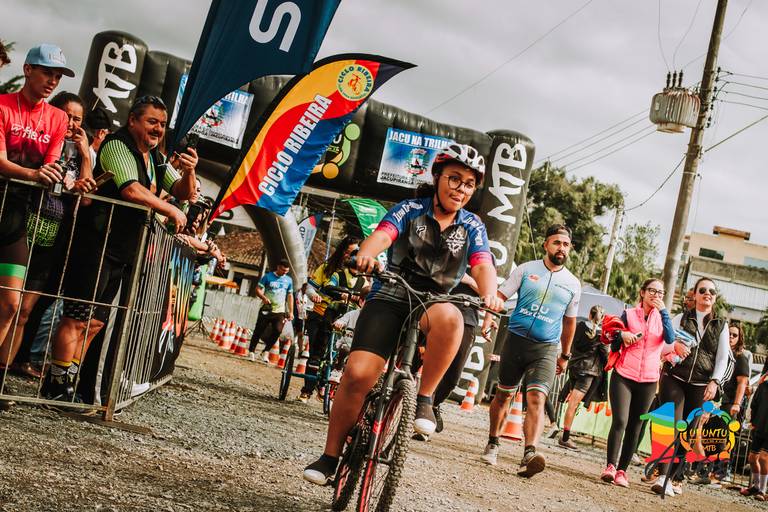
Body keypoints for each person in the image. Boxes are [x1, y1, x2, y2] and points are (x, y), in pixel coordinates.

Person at [303, 143, 502, 485]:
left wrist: (490, 294)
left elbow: (483, 264)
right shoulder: (410, 209)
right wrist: (366, 255)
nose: (461, 189)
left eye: (469, 184)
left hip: (435, 301)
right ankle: (330, 457)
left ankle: (424, 398)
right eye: (454, 179)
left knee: (452, 317)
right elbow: (382, 236)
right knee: (358, 375)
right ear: (437, 177)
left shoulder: (473, 226)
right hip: (392, 294)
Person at [42, 95, 197, 400]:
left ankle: (68, 381)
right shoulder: (117, 145)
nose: (158, 129)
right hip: (96, 243)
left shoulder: (155, 157)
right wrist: (169, 210)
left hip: (123, 250)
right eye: (152, 121)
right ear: (133, 120)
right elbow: (131, 189)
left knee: (96, 322)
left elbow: (183, 192)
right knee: (77, 317)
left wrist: (190, 171)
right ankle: (55, 383)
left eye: (162, 124)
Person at [1, 91, 95, 377]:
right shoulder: (42, 138)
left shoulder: (80, 152)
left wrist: (85, 151)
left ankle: (4, 371)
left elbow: (87, 197)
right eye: (67, 116)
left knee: (23, 311)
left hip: (51, 236)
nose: (72, 124)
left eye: (78, 119)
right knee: (8, 303)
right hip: (22, 222)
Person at [480, 224, 581, 478]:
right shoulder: (526, 270)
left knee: (537, 397)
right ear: (546, 245)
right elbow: (500, 296)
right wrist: (489, 316)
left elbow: (570, 323)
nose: (561, 248)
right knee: (503, 395)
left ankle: (530, 453)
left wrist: (565, 355)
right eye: (556, 243)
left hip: (545, 348)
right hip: (516, 342)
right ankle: (493, 442)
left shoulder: (572, 283)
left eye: (566, 244)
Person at [0, 44, 75, 368]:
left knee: (10, 305)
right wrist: (32, 173)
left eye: (58, 76)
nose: (52, 81)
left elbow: (52, 164)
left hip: (16, 217)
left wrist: (61, 176)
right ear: (28, 69)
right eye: (47, 73)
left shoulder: (58, 118)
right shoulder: (2, 105)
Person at [651, 277, 730, 496]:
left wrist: (715, 381)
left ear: (715, 297)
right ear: (694, 295)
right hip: (674, 377)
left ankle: (673, 477)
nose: (707, 294)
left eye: (711, 291)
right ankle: (662, 476)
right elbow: (664, 344)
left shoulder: (721, 325)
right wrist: (675, 345)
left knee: (688, 431)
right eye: (702, 290)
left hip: (701, 385)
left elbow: (722, 358)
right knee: (671, 425)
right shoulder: (680, 318)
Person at [598, 278, 675, 487]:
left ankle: (622, 471)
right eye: (652, 291)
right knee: (620, 421)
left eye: (660, 292)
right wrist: (622, 335)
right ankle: (610, 466)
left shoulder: (663, 318)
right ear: (642, 292)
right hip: (623, 375)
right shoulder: (629, 314)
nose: (656, 295)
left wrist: (664, 312)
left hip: (649, 380)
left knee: (635, 426)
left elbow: (670, 339)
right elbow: (613, 337)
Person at [299, 236, 361, 403]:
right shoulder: (328, 268)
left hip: (346, 317)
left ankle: (326, 386)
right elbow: (310, 287)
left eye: (355, 252)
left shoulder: (361, 275)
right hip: (321, 313)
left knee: (338, 352)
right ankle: (307, 390)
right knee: (317, 353)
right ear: (342, 251)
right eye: (348, 252)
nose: (350, 256)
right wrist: (314, 296)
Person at [558, 305, 607, 450]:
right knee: (573, 404)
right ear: (602, 318)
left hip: (574, 368)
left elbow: (571, 342)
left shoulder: (579, 326)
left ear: (589, 315)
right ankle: (565, 438)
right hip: (588, 373)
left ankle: (564, 435)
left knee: (572, 404)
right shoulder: (601, 335)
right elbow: (605, 355)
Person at [248, 259, 294, 362]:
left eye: (287, 271)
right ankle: (251, 351)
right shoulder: (268, 277)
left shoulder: (288, 280)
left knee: (278, 331)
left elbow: (290, 295)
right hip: (266, 309)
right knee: (259, 330)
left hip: (280, 311)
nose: (284, 273)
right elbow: (257, 289)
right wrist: (263, 298)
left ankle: (265, 351)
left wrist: (291, 311)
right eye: (283, 270)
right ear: (278, 267)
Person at [740, 373, 768, 500]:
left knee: (763, 458)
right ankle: (756, 487)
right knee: (752, 458)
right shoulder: (763, 385)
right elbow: (754, 404)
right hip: (759, 427)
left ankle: (762, 491)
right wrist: (752, 421)